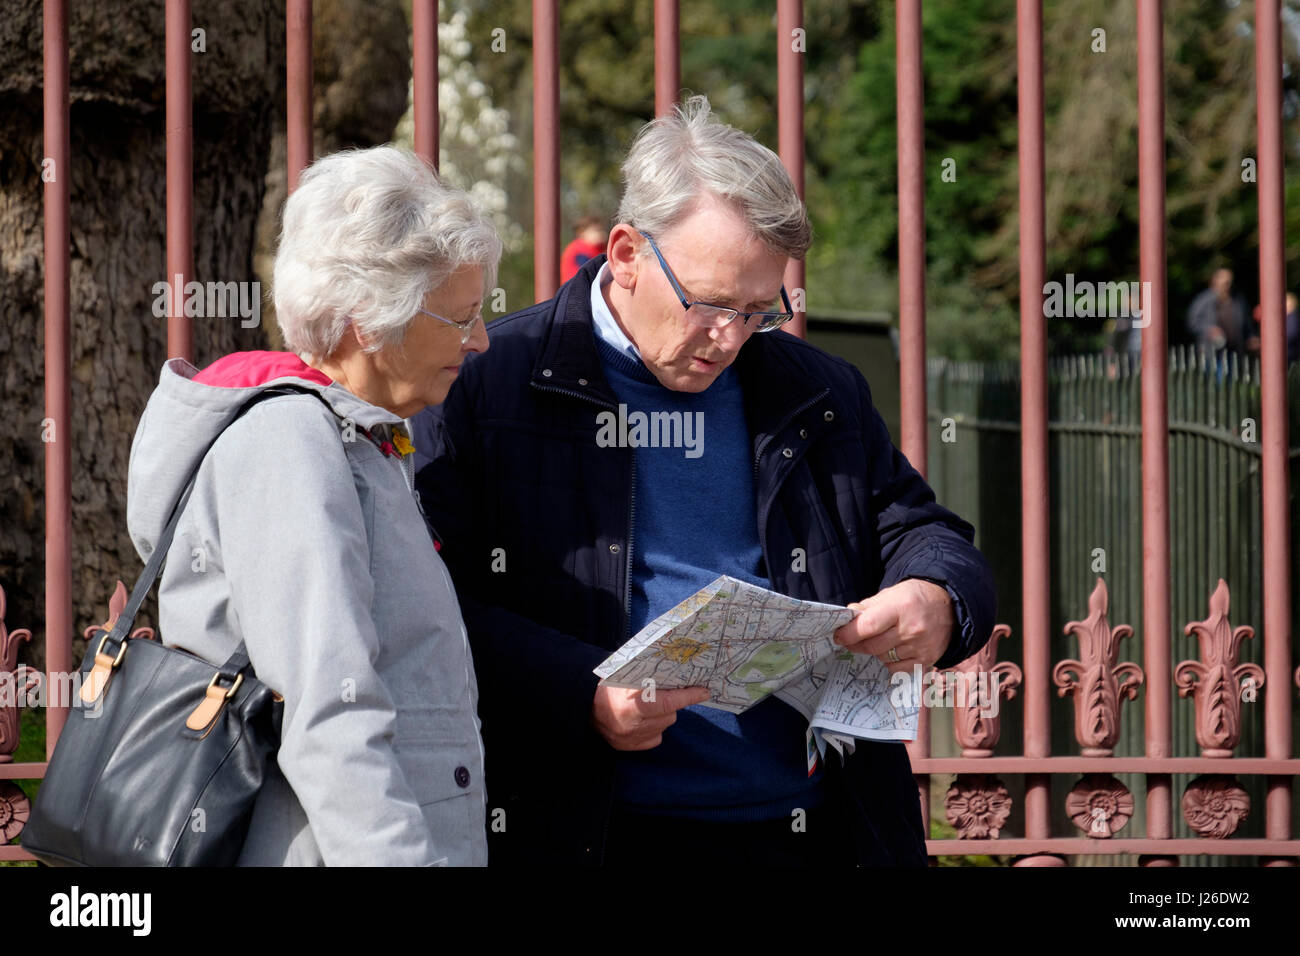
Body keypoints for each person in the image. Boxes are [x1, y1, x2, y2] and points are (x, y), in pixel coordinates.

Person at [412, 96, 996, 866]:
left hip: (816, 827)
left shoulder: (816, 390)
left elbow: (922, 529)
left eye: (761, 309)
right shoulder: (486, 384)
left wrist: (938, 598)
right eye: (711, 303)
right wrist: (575, 692)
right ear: (624, 253)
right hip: (585, 828)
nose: (730, 338)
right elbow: (428, 603)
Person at [126, 145, 501, 865]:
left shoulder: (347, 435)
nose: (480, 340)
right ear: (371, 320)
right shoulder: (290, 442)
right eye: (461, 318)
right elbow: (330, 705)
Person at [1187, 267, 1254, 357]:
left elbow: (1247, 323)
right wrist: (1209, 329)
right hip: (1211, 351)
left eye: (1229, 282)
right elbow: (1192, 322)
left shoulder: (1238, 300)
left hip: (1235, 351)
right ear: (1215, 281)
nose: (1227, 285)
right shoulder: (1203, 300)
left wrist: (1251, 337)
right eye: (1224, 283)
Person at [560, 214, 609, 282]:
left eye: (603, 230)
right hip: (577, 288)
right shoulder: (579, 250)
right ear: (581, 232)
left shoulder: (600, 248)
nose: (602, 234)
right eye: (596, 231)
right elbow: (591, 269)